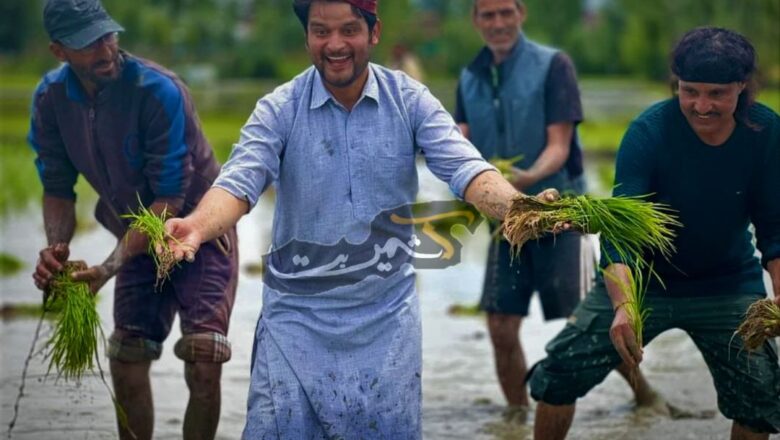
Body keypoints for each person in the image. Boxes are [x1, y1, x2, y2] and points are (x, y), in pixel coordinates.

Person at [161, 0, 545, 438]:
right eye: (321, 31)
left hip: (384, 320)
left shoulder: (409, 100)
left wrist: (515, 208)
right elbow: (240, 181)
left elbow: (465, 167)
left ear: (373, 33)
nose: (335, 45)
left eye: (349, 30)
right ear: (306, 37)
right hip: (295, 320)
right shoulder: (279, 108)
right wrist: (195, 227)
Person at [528, 27, 780, 439]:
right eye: (689, 90)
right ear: (675, 85)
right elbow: (620, 233)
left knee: (760, 397)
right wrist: (625, 307)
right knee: (561, 372)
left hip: (727, 282)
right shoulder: (649, 132)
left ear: (743, 87)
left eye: (716, 94)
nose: (701, 106)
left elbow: (774, 227)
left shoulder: (766, 132)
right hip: (641, 279)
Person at [29, 0, 238, 439]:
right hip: (135, 236)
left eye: (108, 35)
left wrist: (106, 268)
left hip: (198, 232)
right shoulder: (51, 100)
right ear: (59, 51)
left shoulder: (158, 90)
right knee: (127, 359)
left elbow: (167, 201)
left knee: (204, 360)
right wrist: (56, 248)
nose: (105, 50)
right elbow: (56, 188)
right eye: (88, 43)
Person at [455, 0, 660, 418]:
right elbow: (459, 143)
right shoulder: (469, 76)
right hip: (504, 219)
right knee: (499, 325)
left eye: (505, 12)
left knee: (581, 321)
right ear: (476, 20)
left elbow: (558, 148)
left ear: (521, 13)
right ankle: (518, 417)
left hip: (557, 212)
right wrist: (484, 189)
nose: (498, 23)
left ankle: (645, 395)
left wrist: (521, 182)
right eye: (488, 15)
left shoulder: (553, 65)